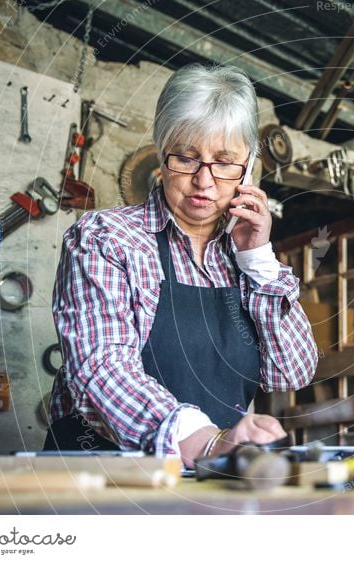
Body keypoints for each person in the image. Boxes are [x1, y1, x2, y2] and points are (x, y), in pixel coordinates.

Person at [44, 64, 318, 467]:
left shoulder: (244, 257)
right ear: (161, 152)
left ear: (250, 167)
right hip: (103, 477)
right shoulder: (107, 239)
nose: (205, 182)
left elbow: (290, 373)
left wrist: (258, 260)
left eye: (225, 162)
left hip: (210, 481)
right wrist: (205, 441)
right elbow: (101, 368)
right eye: (187, 158)